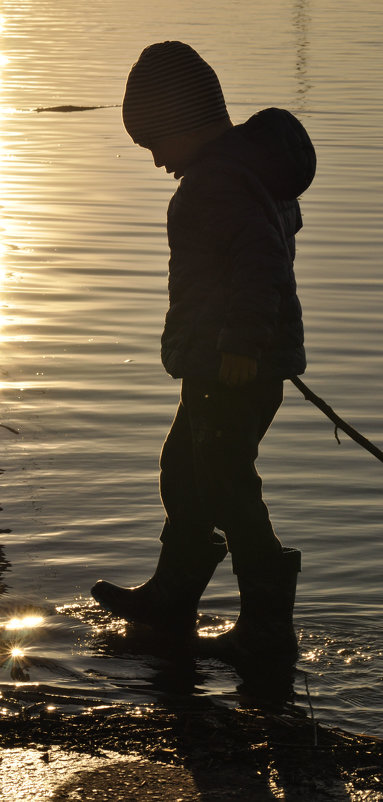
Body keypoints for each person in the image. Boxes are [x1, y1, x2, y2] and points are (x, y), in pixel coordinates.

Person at [91, 41, 316, 664]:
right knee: (186, 472)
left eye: (155, 143)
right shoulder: (241, 173)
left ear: (184, 125)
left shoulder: (221, 181)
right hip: (227, 361)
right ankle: (173, 597)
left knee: (224, 483)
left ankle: (268, 626)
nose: (157, 161)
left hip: (234, 364)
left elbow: (261, 264)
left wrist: (242, 343)